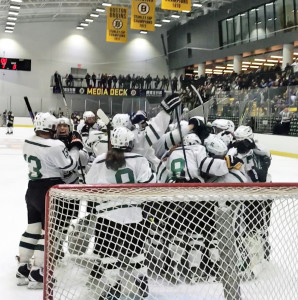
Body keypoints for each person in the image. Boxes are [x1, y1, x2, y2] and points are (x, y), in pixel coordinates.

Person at [86, 126, 156, 299]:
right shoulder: (139, 159)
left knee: (108, 254)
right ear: (130, 143)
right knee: (136, 251)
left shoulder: (100, 160)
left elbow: (89, 184)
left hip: (107, 215)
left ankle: (114, 287)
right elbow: (149, 182)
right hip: (134, 212)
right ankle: (141, 279)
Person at [16, 112, 82, 289]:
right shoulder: (55, 145)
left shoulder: (28, 141)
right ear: (51, 128)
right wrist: (75, 147)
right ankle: (38, 272)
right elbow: (69, 165)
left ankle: (22, 267)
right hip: (50, 190)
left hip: (32, 189)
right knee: (48, 233)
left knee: (33, 229)